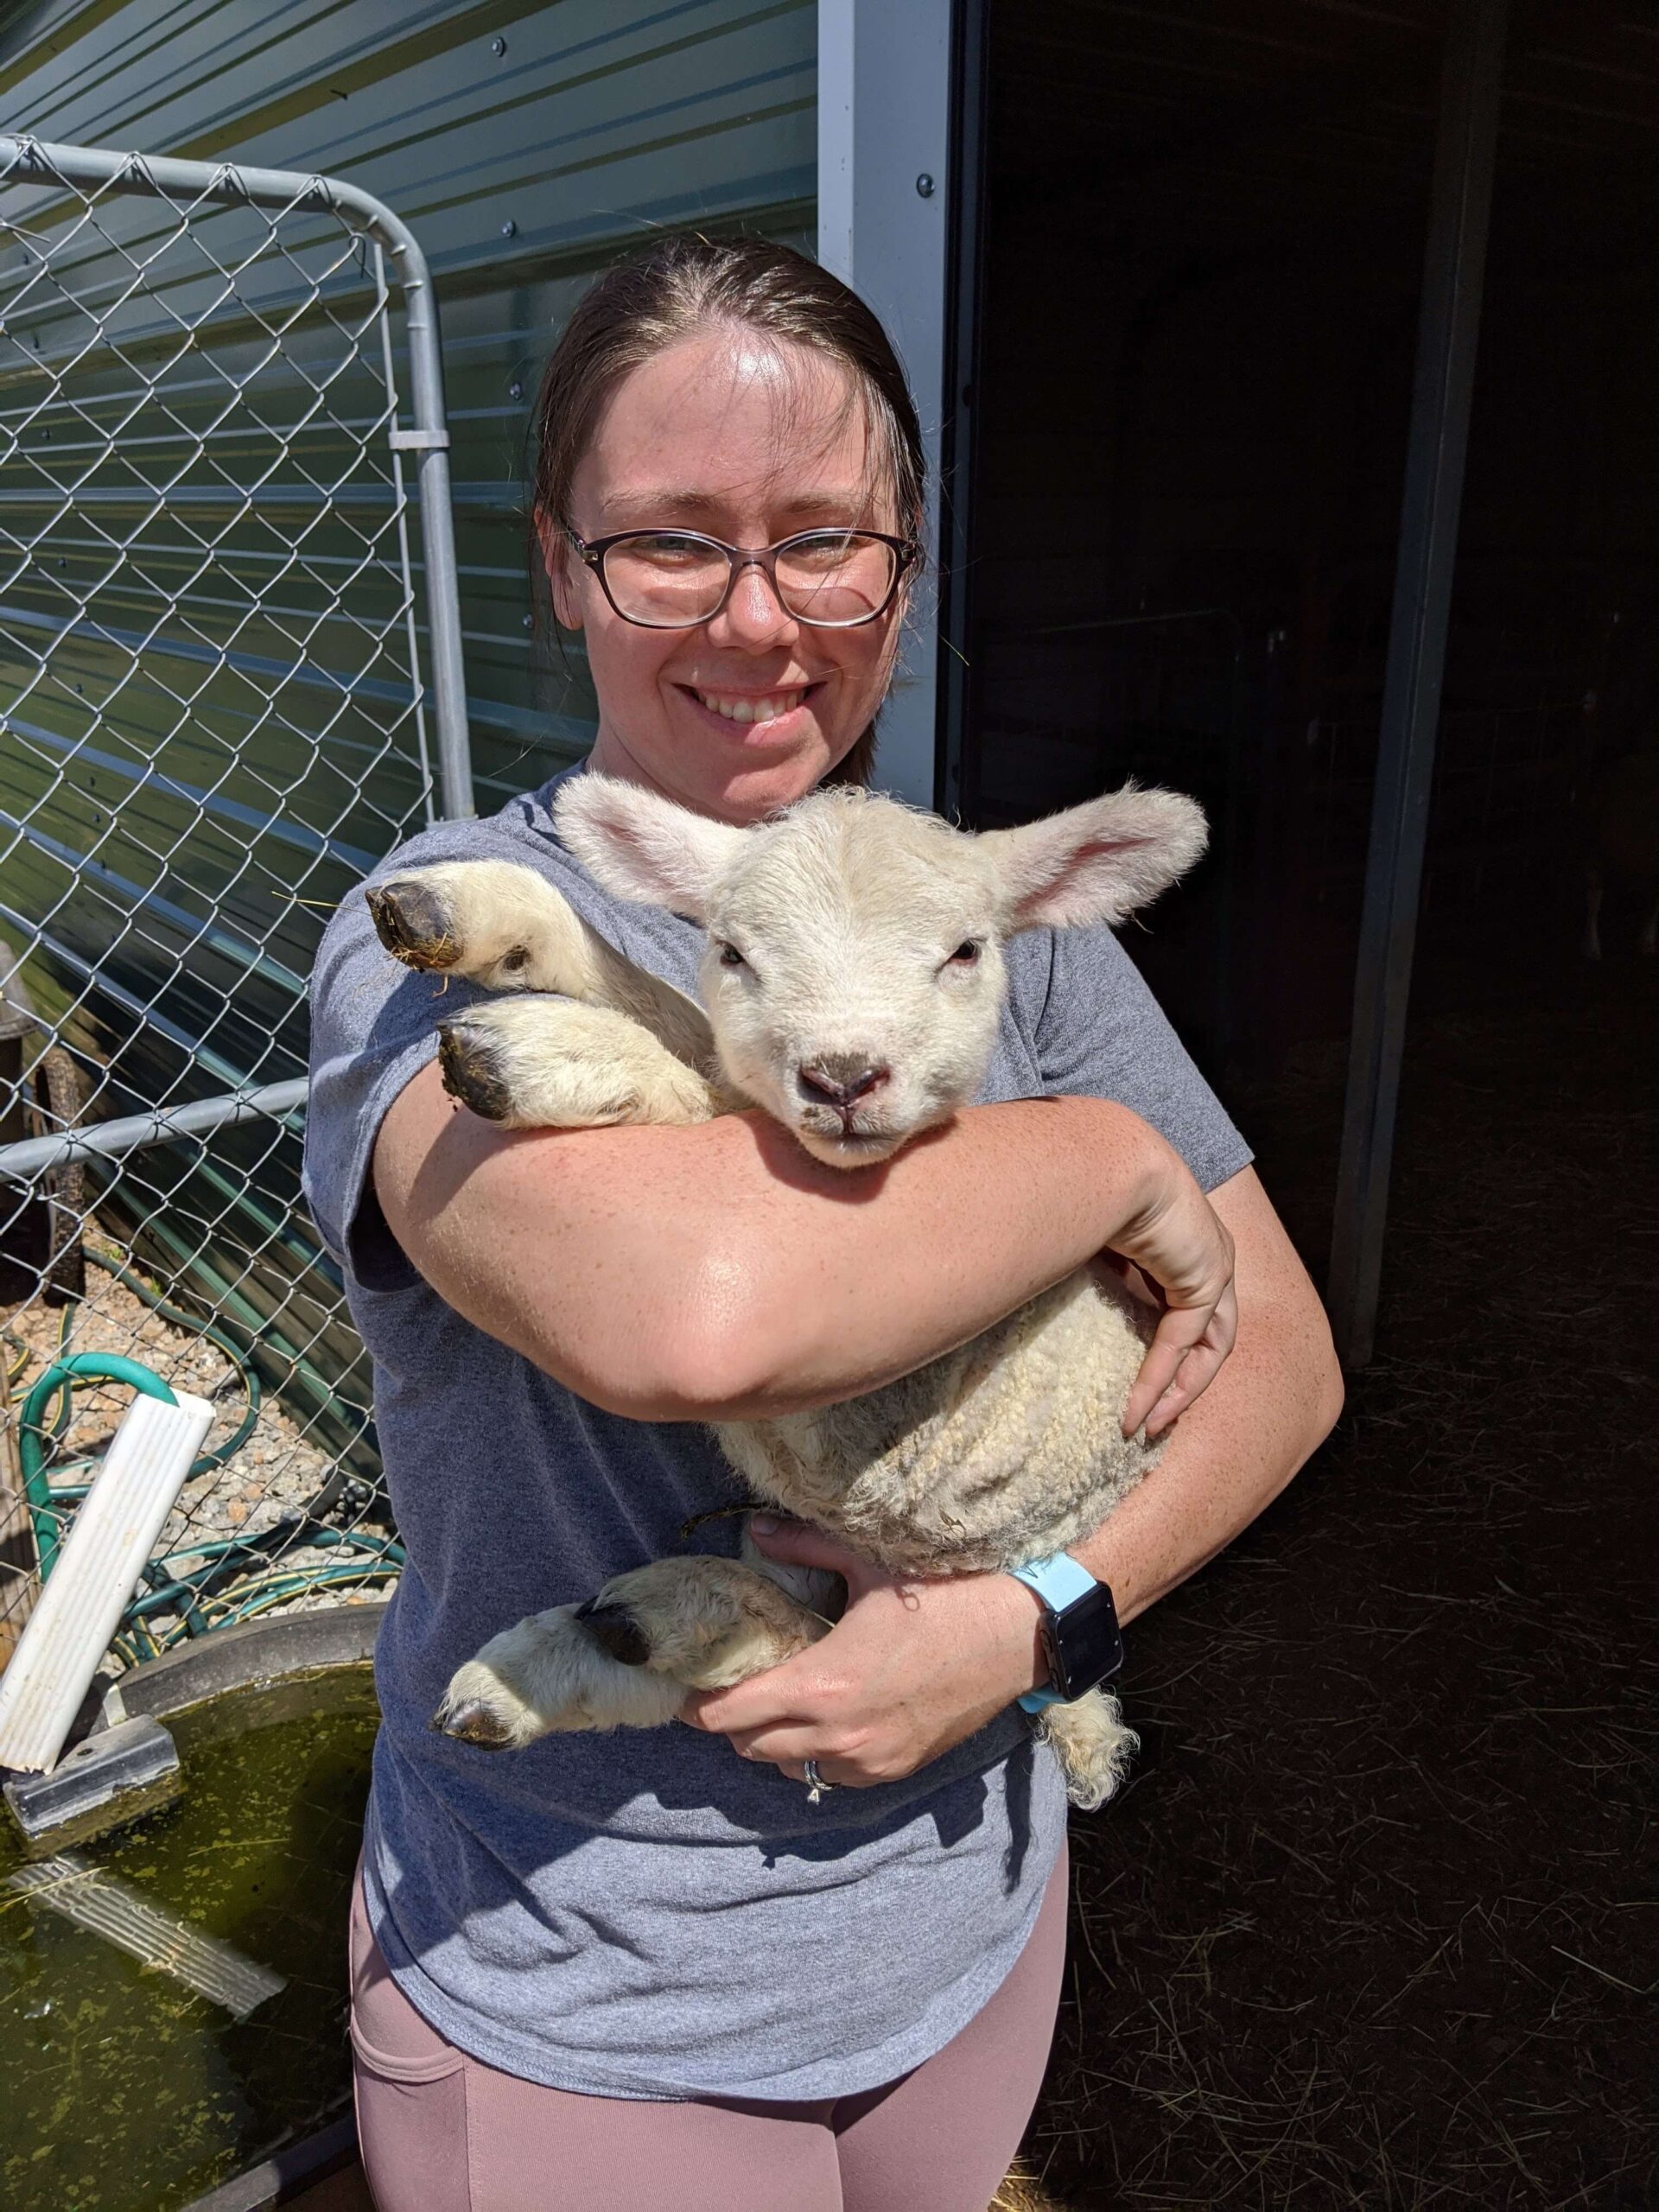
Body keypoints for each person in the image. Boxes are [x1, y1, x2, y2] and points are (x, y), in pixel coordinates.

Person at [303, 235, 1343, 2212]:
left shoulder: (985, 925)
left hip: (963, 1933)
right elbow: (692, 1316)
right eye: (674, 543)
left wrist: (1032, 1620)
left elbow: (1282, 1359)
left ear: (908, 567)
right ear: (560, 565)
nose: (762, 618)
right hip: (596, 1999)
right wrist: (1112, 1163)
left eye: (826, 542)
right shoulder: (432, 919)